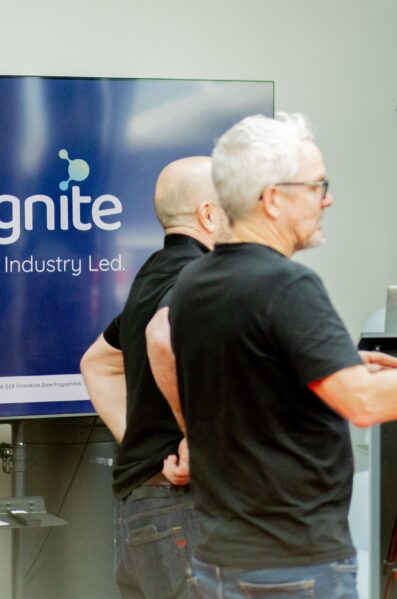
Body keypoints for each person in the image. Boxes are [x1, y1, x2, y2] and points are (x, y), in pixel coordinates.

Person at [144, 113, 397, 599]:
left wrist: (322, 362)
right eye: (316, 186)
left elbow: (246, 372)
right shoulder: (288, 285)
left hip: (219, 560)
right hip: (293, 568)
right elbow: (365, 404)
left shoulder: (194, 281)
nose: (326, 199)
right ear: (273, 199)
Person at [80, 156, 228, 599]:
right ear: (208, 214)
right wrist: (194, 440)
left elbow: (97, 362)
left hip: (142, 512)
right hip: (184, 510)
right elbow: (162, 338)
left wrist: (142, 442)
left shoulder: (152, 277)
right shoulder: (202, 278)